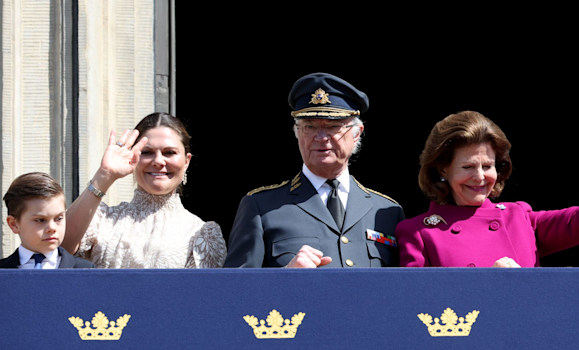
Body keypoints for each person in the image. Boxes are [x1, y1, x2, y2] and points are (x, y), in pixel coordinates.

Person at [396, 87, 579, 268]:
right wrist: (486, 284)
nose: (480, 177)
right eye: (468, 166)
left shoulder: (518, 218)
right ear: (442, 170)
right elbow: (419, 304)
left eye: (488, 166)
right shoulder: (417, 232)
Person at [224, 72, 405, 268]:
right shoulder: (260, 207)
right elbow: (236, 292)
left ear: (356, 134)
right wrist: (284, 278)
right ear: (297, 133)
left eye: (333, 126)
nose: (320, 137)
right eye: (309, 126)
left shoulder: (387, 211)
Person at [61, 112, 226, 268]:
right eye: (147, 152)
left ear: (186, 161)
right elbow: (57, 250)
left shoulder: (202, 233)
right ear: (134, 157)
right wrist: (104, 176)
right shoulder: (101, 220)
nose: (158, 161)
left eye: (169, 152)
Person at [0, 172, 95, 269]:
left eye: (59, 218)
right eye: (40, 220)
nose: (52, 228)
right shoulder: (3, 271)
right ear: (14, 224)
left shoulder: (85, 270)